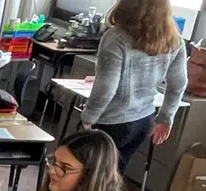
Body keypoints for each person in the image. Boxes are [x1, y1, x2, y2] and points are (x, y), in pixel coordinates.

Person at [80, 0, 188, 172]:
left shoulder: (116, 38)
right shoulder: (174, 40)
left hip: (112, 121)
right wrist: (166, 117)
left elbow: (106, 89)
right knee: (113, 177)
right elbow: (178, 84)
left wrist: (88, 119)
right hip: (143, 120)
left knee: (90, 177)